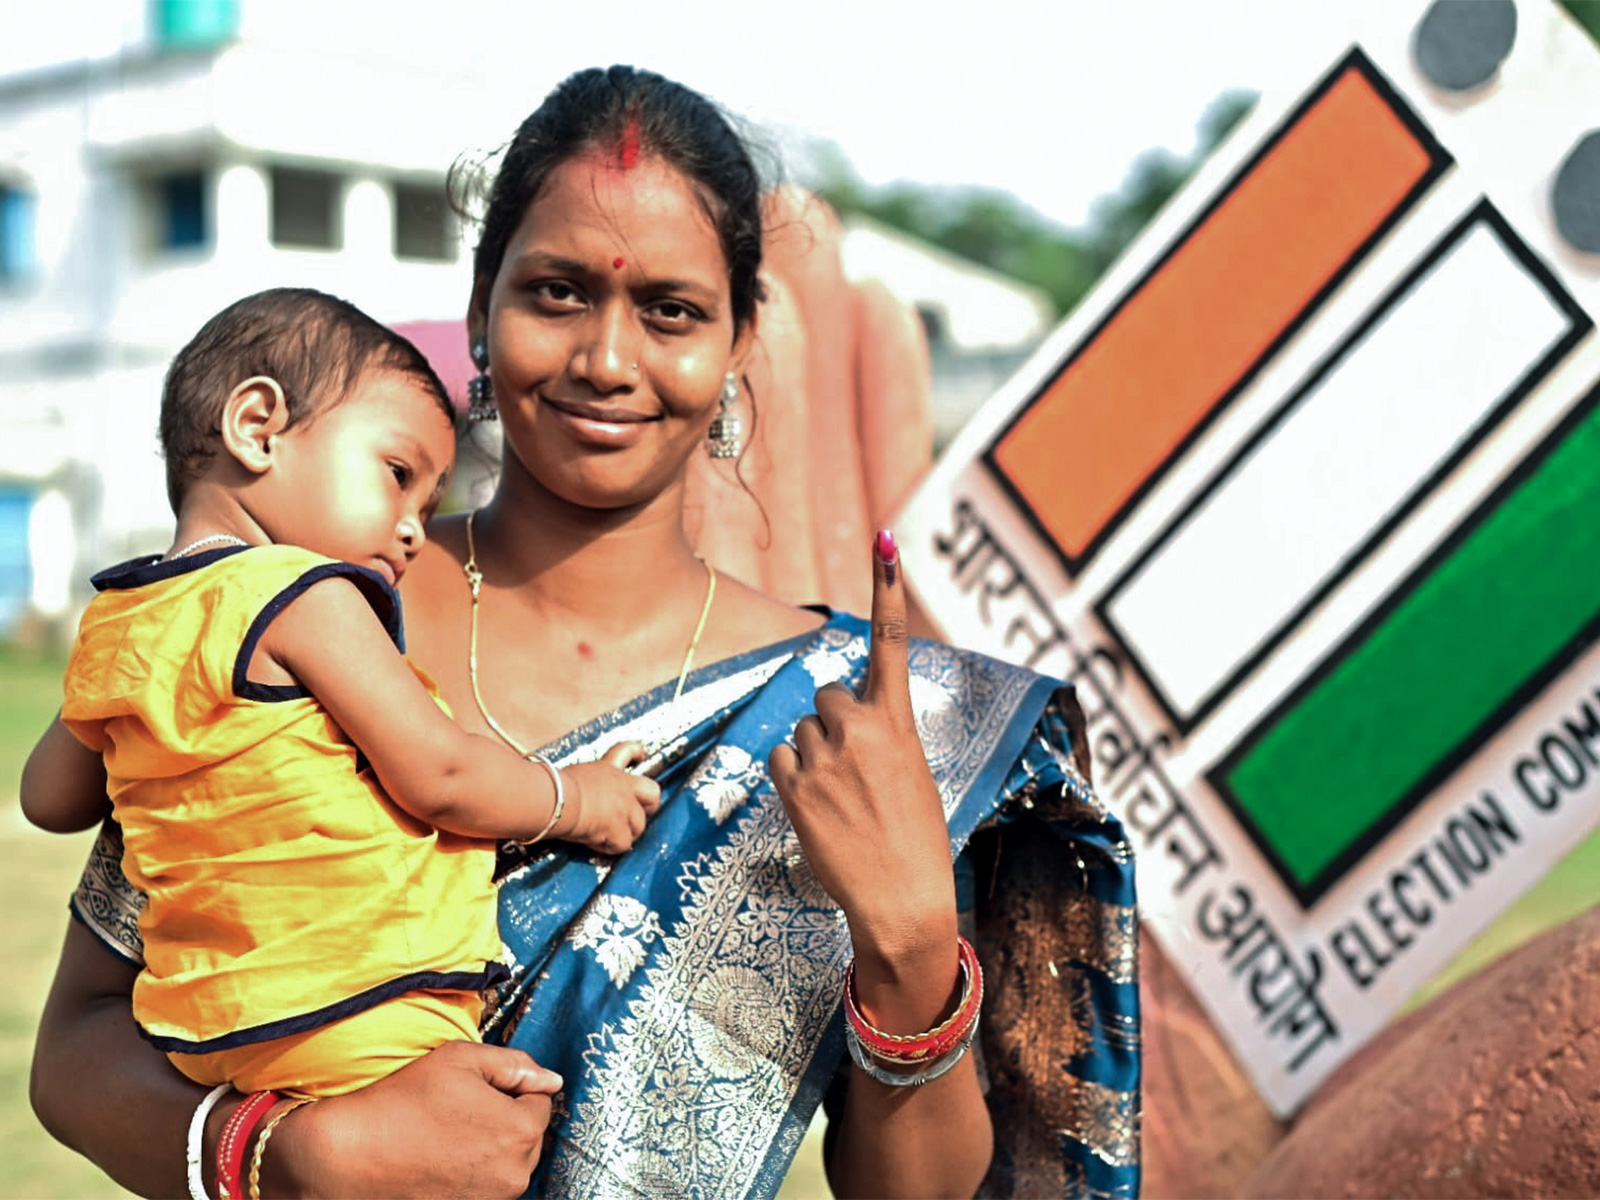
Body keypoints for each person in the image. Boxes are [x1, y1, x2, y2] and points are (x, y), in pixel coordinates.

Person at [29, 66, 1140, 1198]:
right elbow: (74, 1051)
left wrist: (906, 943)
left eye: (671, 311)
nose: (608, 361)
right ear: (480, 307)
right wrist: (298, 1153)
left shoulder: (847, 718)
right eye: (558, 293)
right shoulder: (305, 605)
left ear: (740, 340)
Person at [20, 287, 661, 1108]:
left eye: (426, 505)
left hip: (209, 1030)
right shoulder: (301, 593)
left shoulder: (117, 620)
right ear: (257, 426)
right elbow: (441, 774)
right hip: (359, 1008)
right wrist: (578, 800)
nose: (412, 529)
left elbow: (48, 799)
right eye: (396, 477)